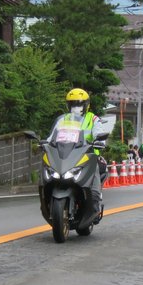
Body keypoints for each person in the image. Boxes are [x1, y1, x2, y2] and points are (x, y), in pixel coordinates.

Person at [48, 88, 107, 216]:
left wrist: (99, 142)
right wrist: (45, 143)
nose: (76, 107)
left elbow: (99, 133)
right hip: (67, 154)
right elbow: (52, 136)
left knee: (94, 188)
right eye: (73, 104)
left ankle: (95, 209)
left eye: (79, 104)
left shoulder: (93, 119)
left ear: (86, 105)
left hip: (88, 156)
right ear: (68, 105)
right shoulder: (63, 120)